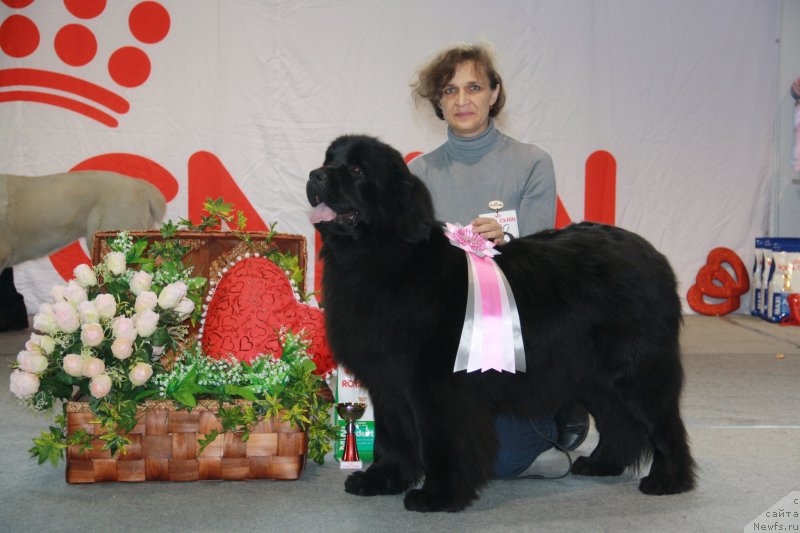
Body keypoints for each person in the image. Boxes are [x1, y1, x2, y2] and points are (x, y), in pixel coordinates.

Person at [408, 42, 588, 478]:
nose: (462, 100)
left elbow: (546, 263)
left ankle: (560, 411)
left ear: (494, 93)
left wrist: (507, 240)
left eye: (474, 87)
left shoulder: (532, 163)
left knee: (499, 460)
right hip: (444, 340)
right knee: (423, 451)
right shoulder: (417, 175)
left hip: (520, 338)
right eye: (450, 91)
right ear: (438, 102)